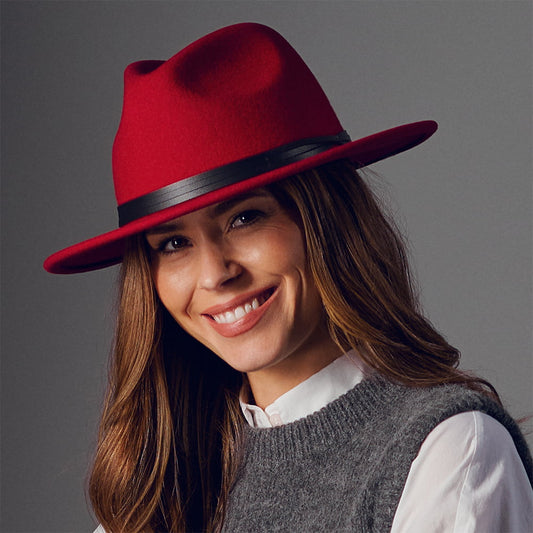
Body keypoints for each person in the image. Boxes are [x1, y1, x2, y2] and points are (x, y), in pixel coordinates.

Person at [44, 23, 532, 533]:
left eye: (244, 218)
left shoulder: (447, 450)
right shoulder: (160, 484)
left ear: (328, 220)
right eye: (173, 244)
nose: (215, 274)